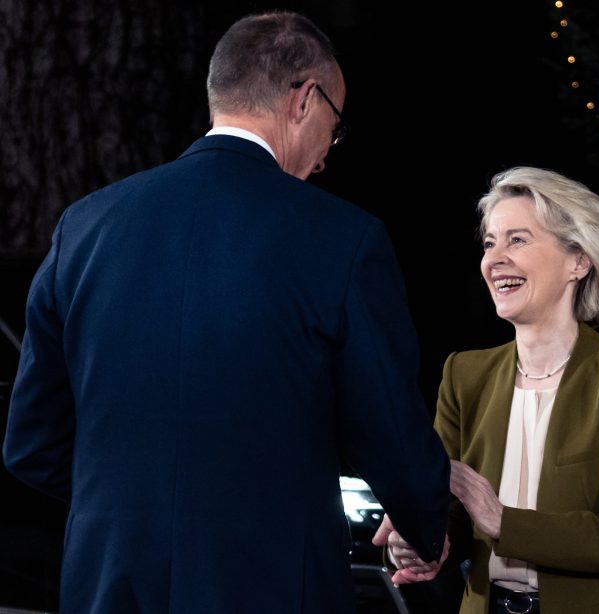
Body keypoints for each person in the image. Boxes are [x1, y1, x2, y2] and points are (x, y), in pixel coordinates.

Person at [3, 10, 450, 614]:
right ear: (304, 99)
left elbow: (31, 444)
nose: (324, 157)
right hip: (271, 587)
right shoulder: (343, 239)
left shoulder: (83, 227)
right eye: (333, 127)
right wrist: (425, 528)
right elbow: (388, 427)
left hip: (109, 584)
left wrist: (132, 506)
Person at [374, 166, 599, 613]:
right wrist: (419, 542)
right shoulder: (464, 375)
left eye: (517, 239)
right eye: (490, 243)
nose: (494, 259)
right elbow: (451, 521)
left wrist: (500, 520)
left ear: (579, 260)